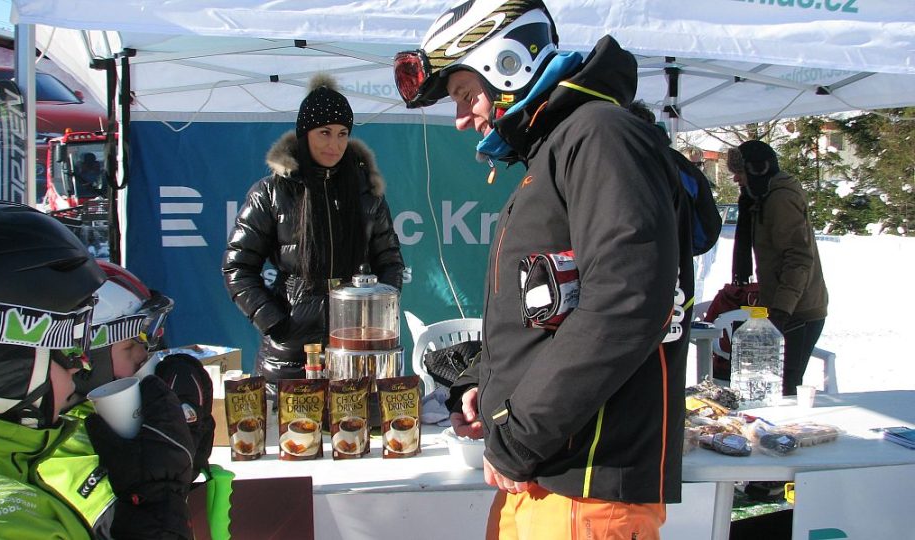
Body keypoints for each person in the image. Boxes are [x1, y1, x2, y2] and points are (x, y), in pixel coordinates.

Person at [394, 2, 694, 538]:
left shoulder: (601, 136)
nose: (462, 117)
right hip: (545, 478)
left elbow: (626, 303)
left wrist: (520, 436)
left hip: (584, 486)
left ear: (507, 64)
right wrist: (484, 387)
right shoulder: (559, 148)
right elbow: (551, 313)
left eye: (466, 93)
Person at [0, 199, 195, 539]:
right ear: (0, 360)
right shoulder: (0, 524)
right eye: (64, 351)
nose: (77, 368)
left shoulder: (7, 473)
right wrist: (159, 503)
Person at [222, 73, 404, 397]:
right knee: (295, 440)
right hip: (288, 354)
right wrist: (276, 323)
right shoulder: (271, 192)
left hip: (356, 346)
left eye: (342, 134)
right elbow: (237, 268)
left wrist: (377, 315)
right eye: (324, 133)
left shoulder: (367, 192)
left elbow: (389, 260)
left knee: (356, 439)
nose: (334, 144)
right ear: (305, 133)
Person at [727, 140, 828, 395]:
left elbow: (798, 259)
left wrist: (781, 310)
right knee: (768, 381)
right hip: (779, 304)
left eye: (740, 172)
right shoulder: (762, 198)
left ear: (758, 170)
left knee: (783, 386)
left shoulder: (780, 199)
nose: (737, 180)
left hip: (799, 310)